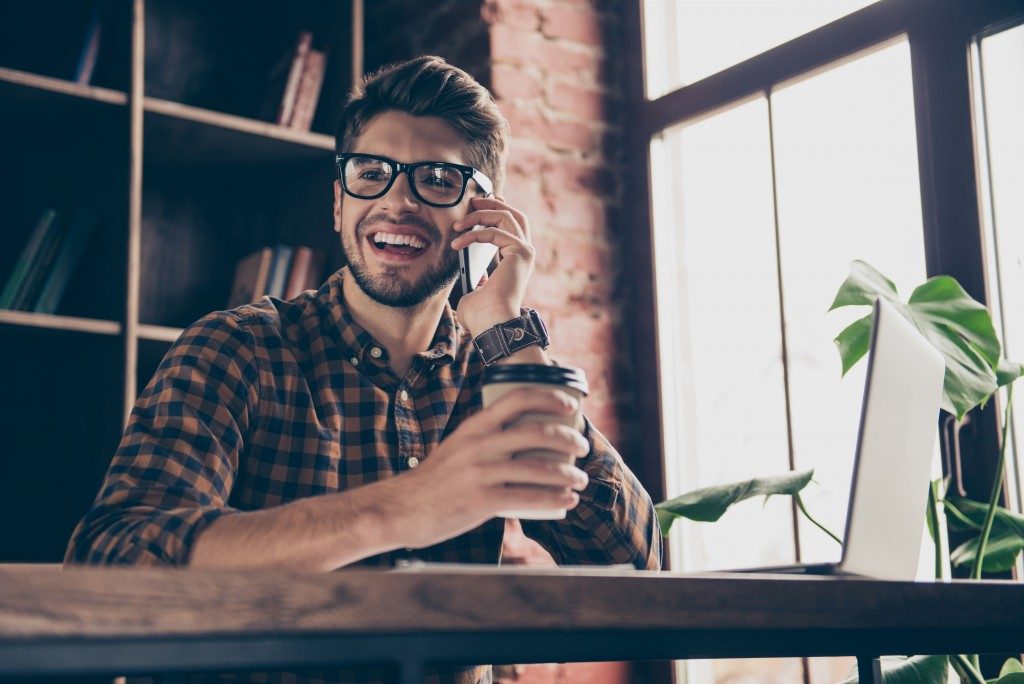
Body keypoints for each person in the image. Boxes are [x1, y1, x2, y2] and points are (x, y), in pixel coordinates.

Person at [66, 55, 661, 683]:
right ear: (338, 202)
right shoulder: (234, 350)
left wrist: (504, 326)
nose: (397, 201)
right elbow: (114, 565)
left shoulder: (495, 372)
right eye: (370, 173)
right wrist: (404, 508)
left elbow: (630, 563)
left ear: (483, 219)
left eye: (435, 178)